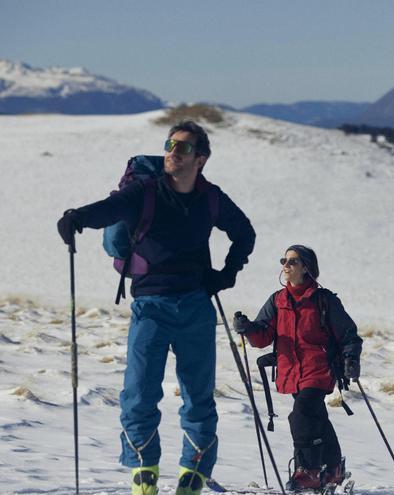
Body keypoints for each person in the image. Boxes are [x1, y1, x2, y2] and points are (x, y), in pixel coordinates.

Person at [56, 121, 256, 495]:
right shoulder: (144, 192)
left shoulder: (211, 198)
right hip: (150, 306)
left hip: (196, 306)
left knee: (198, 397)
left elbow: (244, 233)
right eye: (169, 144)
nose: (172, 152)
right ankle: (143, 474)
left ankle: (193, 477)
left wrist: (225, 275)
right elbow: (109, 209)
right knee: (138, 394)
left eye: (182, 148)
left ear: (201, 158)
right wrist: (77, 218)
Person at [233, 245, 362, 491]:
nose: (286, 265)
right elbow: (262, 337)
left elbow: (349, 334)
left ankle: (309, 471)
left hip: (318, 369)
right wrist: (247, 327)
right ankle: (334, 468)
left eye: (292, 261)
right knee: (316, 417)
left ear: (306, 267)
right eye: (284, 260)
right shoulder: (277, 300)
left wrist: (351, 358)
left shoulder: (324, 300)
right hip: (290, 371)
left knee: (302, 413)